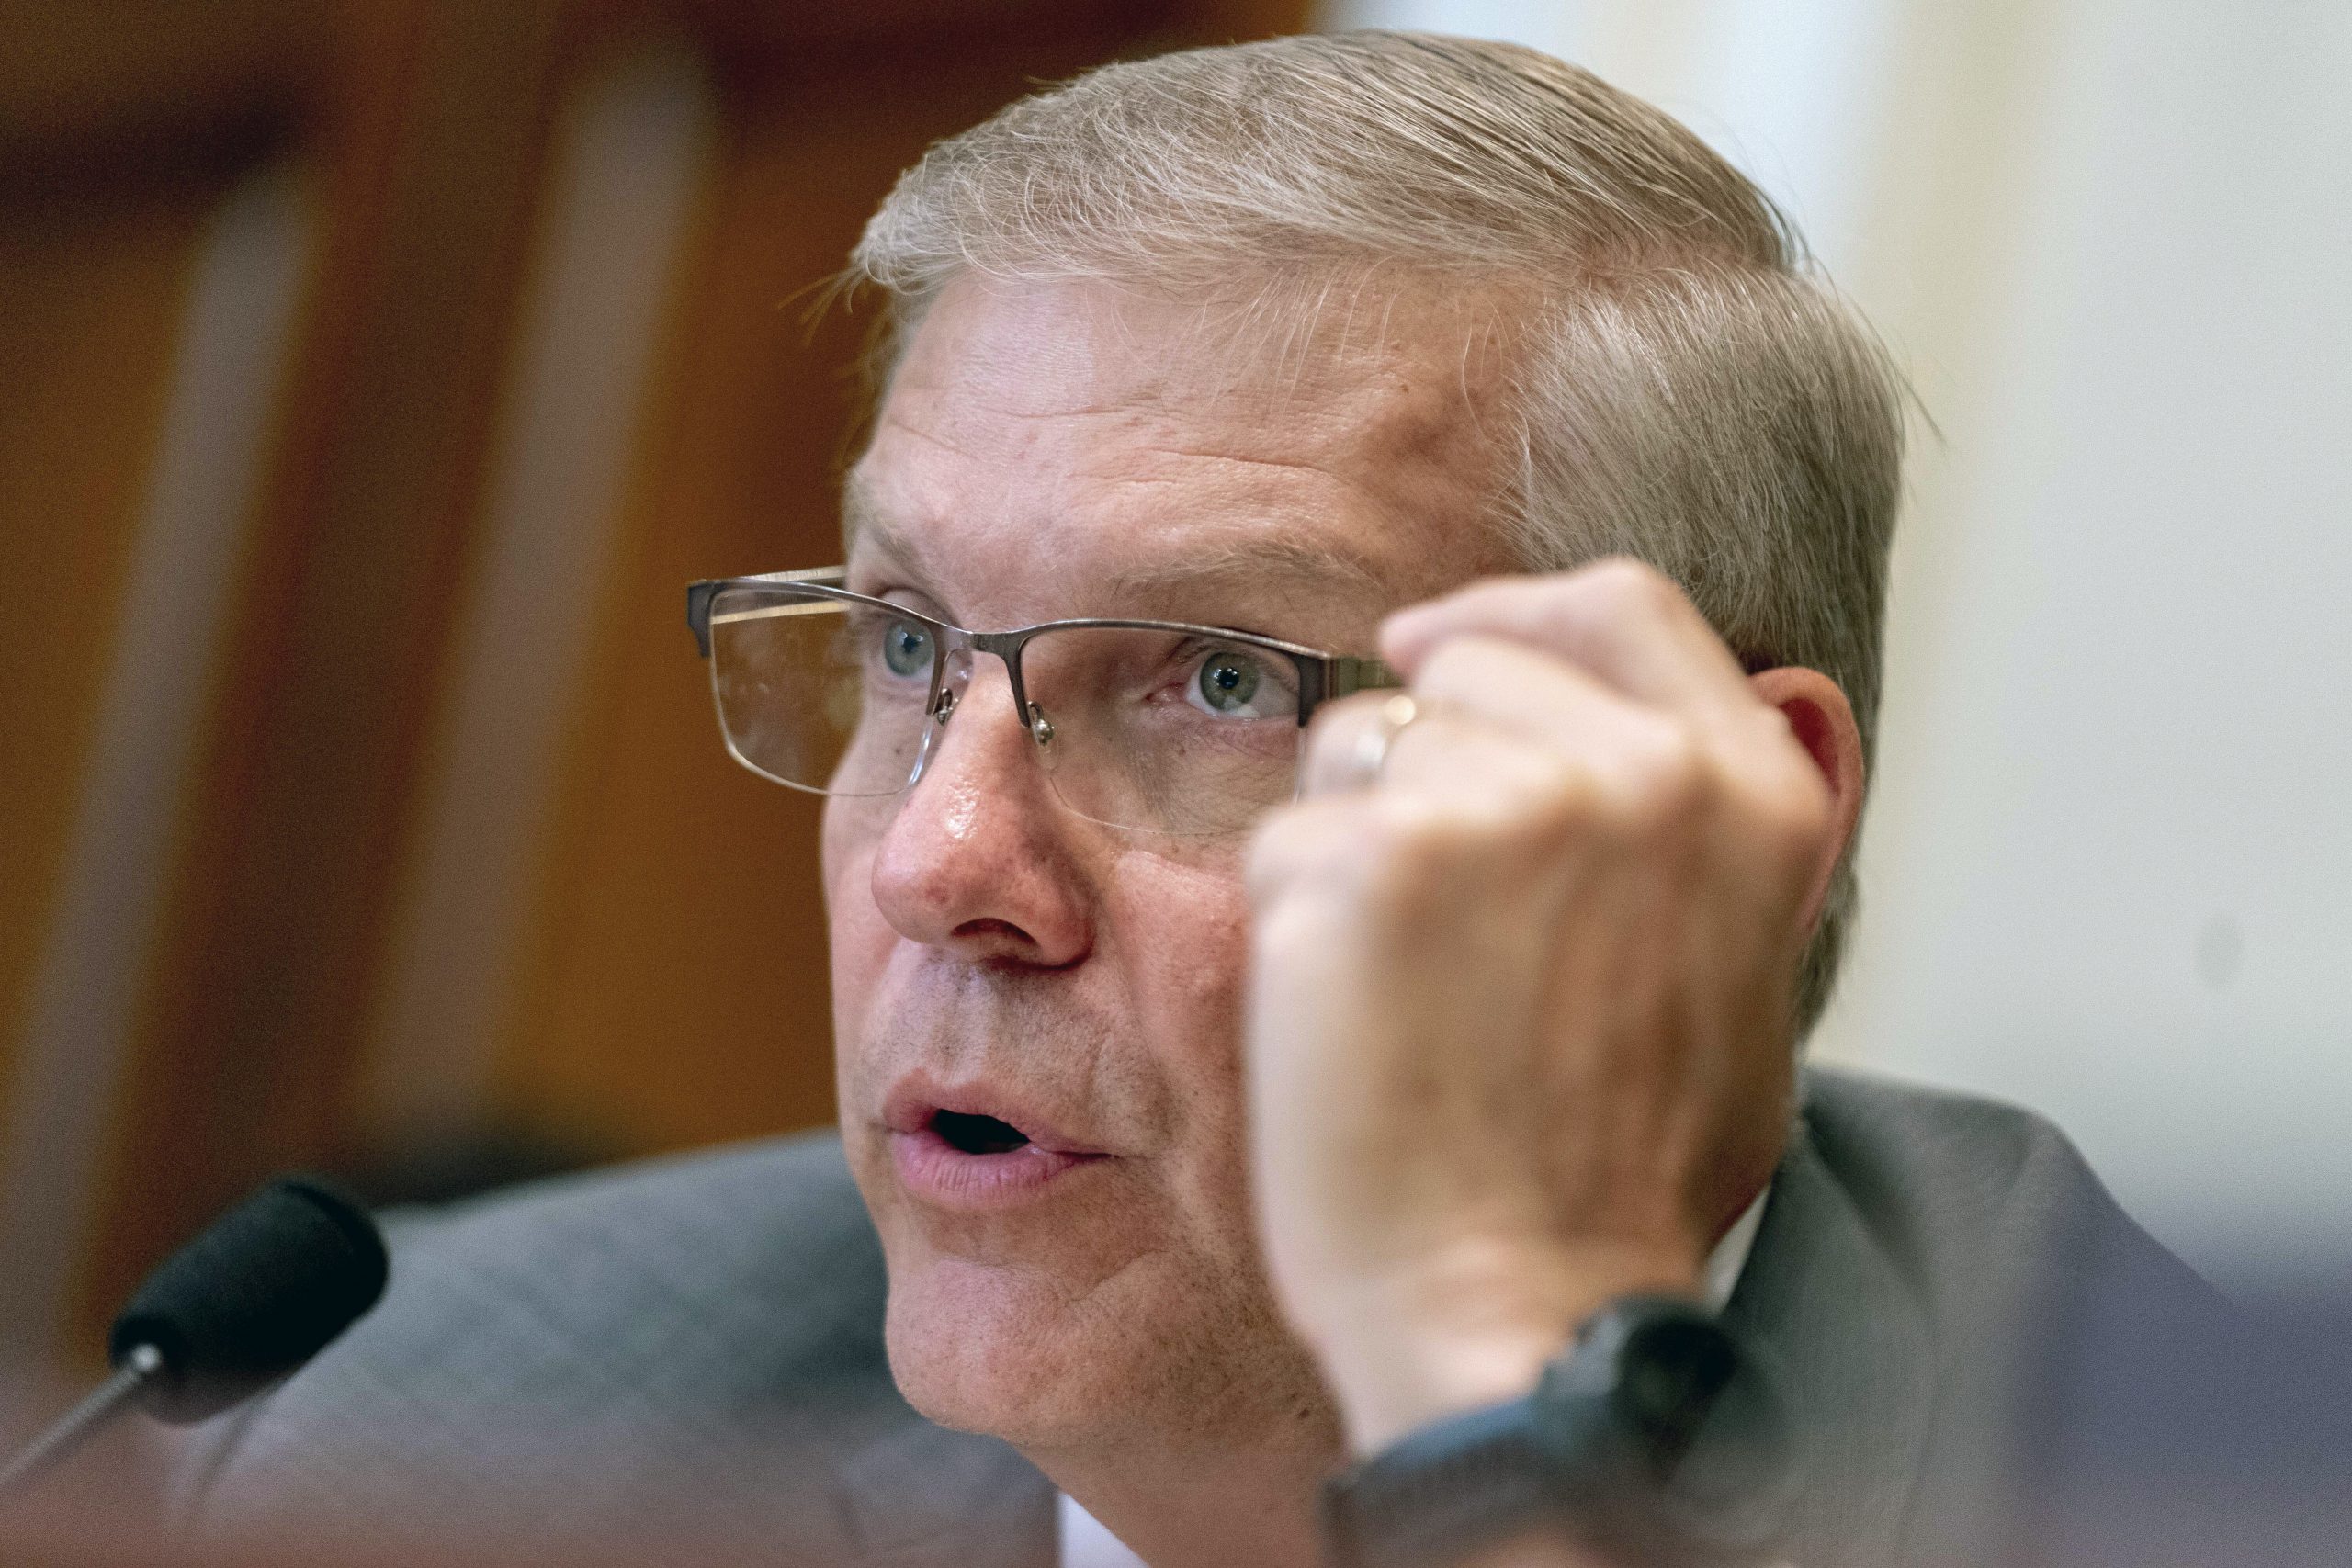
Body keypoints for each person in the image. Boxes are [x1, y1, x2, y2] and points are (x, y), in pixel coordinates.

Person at [164, 32, 2222, 1568]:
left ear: (1725, 824)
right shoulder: (449, 1426)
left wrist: (1500, 1394)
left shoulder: (2194, 1491)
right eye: (906, 644)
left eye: (1221, 682)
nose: (942, 862)